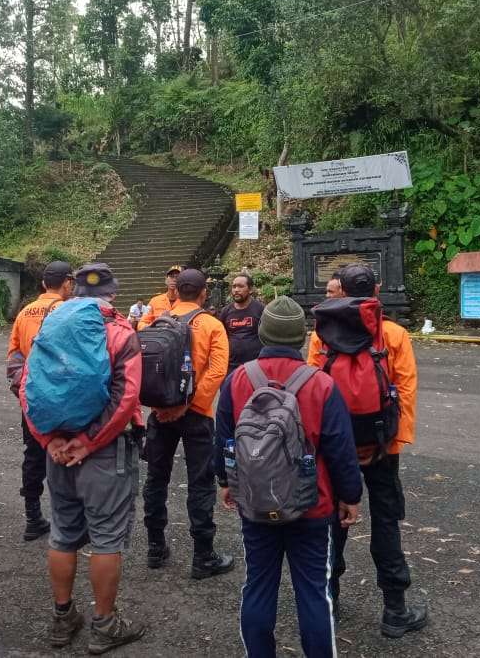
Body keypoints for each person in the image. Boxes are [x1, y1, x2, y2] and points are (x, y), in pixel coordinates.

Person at [215, 296, 363, 658]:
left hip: (254, 499)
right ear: (302, 337)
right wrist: (350, 496)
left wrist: (225, 482)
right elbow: (341, 448)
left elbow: (224, 439)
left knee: (258, 585)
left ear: (262, 333)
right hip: (311, 504)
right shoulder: (322, 384)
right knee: (313, 591)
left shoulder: (237, 380)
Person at [19, 263, 146, 654]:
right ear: (113, 292)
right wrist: (89, 442)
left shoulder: (50, 328)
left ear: (74, 292)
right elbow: (126, 399)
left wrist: (48, 441)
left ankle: (63, 618)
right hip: (105, 451)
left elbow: (28, 387)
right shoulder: (121, 332)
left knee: (63, 532)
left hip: (57, 449)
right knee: (106, 538)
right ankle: (105, 625)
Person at [307, 263, 426, 637]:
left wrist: (319, 443)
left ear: (340, 289)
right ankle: (395, 610)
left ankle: (329, 600)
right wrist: (393, 442)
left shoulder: (321, 334)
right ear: (376, 289)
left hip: (334, 446)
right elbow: (404, 390)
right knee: (386, 522)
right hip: (381, 444)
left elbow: (312, 390)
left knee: (332, 521)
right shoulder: (393, 334)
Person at [142, 268, 234, 579]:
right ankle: (203, 556)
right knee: (200, 482)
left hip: (160, 412)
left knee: (156, 478)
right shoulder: (211, 325)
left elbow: (145, 367)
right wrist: (191, 405)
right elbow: (218, 370)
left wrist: (163, 407)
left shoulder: (157, 320)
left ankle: (155, 547)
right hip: (197, 415)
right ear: (204, 293)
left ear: (176, 291)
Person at [7, 260, 75, 541]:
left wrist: (23, 389)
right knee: (68, 453)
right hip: (61, 396)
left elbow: (13, 355)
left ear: (44, 283)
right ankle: (69, 520)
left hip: (32, 396)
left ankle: (32, 516)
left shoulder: (24, 313)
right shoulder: (68, 310)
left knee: (33, 454)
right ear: (67, 283)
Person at [217, 273, 265, 370]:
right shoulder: (226, 311)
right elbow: (220, 337)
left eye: (241, 286)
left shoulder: (260, 309)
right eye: (234, 286)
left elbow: (266, 336)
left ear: (250, 289)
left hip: (255, 366)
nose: (236, 290)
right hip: (231, 365)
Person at [136, 265, 181, 329]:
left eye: (177, 277)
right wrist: (153, 327)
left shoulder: (186, 302)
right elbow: (142, 323)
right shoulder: (154, 301)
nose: (174, 279)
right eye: (171, 276)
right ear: (166, 279)